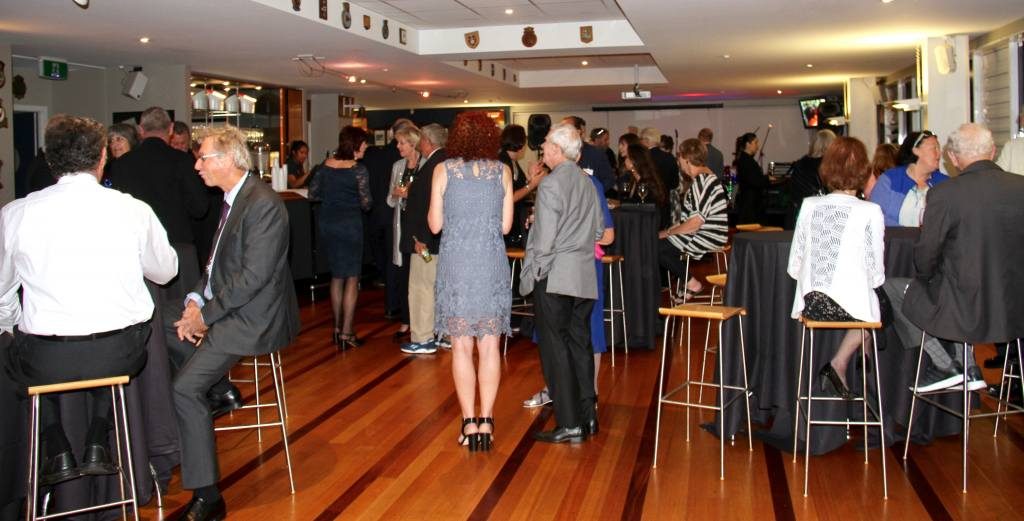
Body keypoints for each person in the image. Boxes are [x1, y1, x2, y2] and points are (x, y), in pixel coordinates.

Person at [0, 114, 177, 486]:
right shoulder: (132, 209)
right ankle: (98, 437)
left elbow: (1, 294)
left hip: (46, 359)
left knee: (21, 347)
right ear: (102, 157)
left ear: (50, 161)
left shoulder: (15, 214)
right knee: (107, 337)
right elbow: (165, 271)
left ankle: (57, 442)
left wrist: (15, 324)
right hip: (120, 354)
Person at [172, 126, 300, 521]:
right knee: (163, 326)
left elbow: (252, 278)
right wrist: (195, 301)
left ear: (228, 160)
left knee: (183, 389)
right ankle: (221, 390)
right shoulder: (234, 198)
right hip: (231, 310)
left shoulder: (262, 203)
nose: (196, 166)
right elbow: (215, 268)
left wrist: (206, 317)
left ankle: (209, 497)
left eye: (203, 158)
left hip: (253, 319)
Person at [899, 123, 1024, 392]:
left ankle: (949, 365)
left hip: (966, 311)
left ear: (953, 158)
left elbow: (925, 259)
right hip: (1016, 310)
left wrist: (926, 278)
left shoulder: (945, 194)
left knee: (901, 292)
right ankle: (963, 366)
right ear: (992, 151)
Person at [428, 112, 513, 452]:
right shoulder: (502, 172)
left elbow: (435, 225)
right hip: (491, 264)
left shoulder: (443, 171)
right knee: (489, 346)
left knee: (462, 346)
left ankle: (468, 422)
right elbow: (506, 227)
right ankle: (488, 420)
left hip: (458, 265)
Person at [520, 123, 604, 444]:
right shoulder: (587, 182)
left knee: (555, 351)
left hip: (555, 277)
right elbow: (598, 232)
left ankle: (569, 423)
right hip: (583, 277)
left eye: (545, 146)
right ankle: (589, 416)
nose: (542, 150)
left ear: (556, 150)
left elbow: (543, 243)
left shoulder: (552, 185)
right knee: (580, 346)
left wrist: (531, 277)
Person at [787, 136, 885, 398]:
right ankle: (844, 364)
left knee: (872, 307)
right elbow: (876, 275)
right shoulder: (871, 211)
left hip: (811, 302)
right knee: (879, 307)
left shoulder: (809, 205)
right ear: (864, 170)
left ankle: (858, 364)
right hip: (853, 307)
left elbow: (794, 266)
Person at [309, 126, 372, 348]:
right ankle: (347, 332)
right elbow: (366, 203)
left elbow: (313, 194)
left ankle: (336, 329)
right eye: (364, 143)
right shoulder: (358, 170)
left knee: (337, 276)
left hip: (328, 223)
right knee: (352, 278)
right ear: (355, 144)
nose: (366, 146)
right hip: (350, 225)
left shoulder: (324, 166)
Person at [658, 138, 729, 301]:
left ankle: (691, 283)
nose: (678, 162)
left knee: (656, 248)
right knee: (660, 245)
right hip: (709, 233)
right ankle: (687, 282)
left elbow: (695, 223)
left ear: (686, 159)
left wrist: (668, 232)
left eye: (679, 158)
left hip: (707, 235)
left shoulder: (702, 181)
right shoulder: (707, 177)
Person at [400, 123, 448, 354]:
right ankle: (442, 333)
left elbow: (425, 207)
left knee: (422, 286)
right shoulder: (448, 162)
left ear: (428, 141)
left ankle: (423, 338)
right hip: (440, 242)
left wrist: (420, 240)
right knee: (439, 286)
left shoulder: (432, 166)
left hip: (426, 243)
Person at [386, 125, 422, 344]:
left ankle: (423, 321)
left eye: (401, 142)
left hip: (421, 230)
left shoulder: (426, 165)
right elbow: (390, 200)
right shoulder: (398, 166)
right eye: (397, 142)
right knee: (404, 274)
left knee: (423, 274)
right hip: (403, 228)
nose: (398, 146)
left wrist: (412, 193)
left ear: (412, 143)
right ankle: (406, 320)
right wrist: (396, 194)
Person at [869, 131, 948, 226]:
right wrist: (908, 235)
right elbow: (875, 216)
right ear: (915, 150)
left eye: (939, 148)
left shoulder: (945, 184)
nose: (939, 153)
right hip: (894, 240)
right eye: (934, 148)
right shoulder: (890, 180)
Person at [788, 129, 836, 215]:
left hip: (799, 212)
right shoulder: (830, 166)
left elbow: (792, 191)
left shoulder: (800, 164)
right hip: (822, 213)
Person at [561, 116, 614, 192]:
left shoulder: (596, 153)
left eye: (565, 129)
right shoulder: (558, 153)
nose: (561, 132)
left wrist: (593, 192)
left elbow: (609, 179)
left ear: (578, 132)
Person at [622, 143, 669, 227]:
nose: (625, 160)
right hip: (638, 221)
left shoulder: (648, 183)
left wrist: (622, 205)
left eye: (627, 157)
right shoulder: (635, 179)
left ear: (633, 161)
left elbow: (645, 207)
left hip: (647, 226)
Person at [733, 132, 769, 224]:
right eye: (755, 143)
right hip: (749, 205)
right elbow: (754, 181)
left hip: (750, 203)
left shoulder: (746, 159)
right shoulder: (746, 161)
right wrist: (767, 179)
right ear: (748, 144)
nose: (757, 146)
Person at [641, 127, 680, 195]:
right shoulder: (670, 157)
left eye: (641, 140)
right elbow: (675, 184)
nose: (640, 142)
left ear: (646, 140)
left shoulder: (642, 158)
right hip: (665, 200)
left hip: (646, 199)